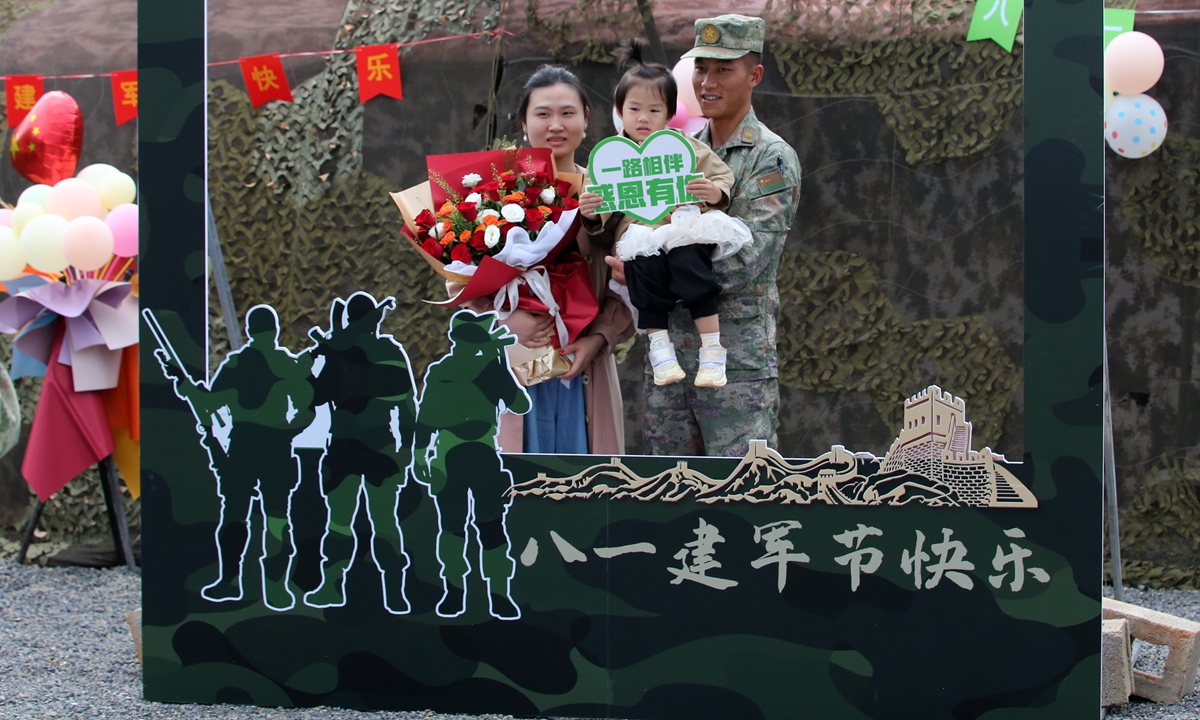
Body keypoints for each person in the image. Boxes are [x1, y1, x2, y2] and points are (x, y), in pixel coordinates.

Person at [607, 14, 802, 457]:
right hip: (669, 361)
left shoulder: (770, 159)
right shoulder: (674, 150)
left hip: (735, 367)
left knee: (744, 499)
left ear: (754, 76)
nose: (706, 82)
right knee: (669, 501)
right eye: (700, 68)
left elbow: (747, 262)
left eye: (723, 69)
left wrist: (645, 275)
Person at [457, 65, 634, 454]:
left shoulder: (612, 195)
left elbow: (627, 284)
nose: (556, 124)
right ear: (524, 122)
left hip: (584, 370)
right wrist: (502, 323)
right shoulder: (493, 197)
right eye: (543, 113)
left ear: (587, 120)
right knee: (513, 493)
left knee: (589, 494)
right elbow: (460, 284)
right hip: (511, 365)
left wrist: (598, 339)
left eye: (568, 112)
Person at [579, 39, 751, 389]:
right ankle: (660, 350)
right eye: (635, 109)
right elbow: (602, 216)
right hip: (638, 236)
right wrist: (592, 213)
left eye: (655, 110)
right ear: (619, 110)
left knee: (692, 266)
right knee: (643, 270)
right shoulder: (610, 158)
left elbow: (721, 176)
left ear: (670, 112)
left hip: (680, 226)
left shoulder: (685, 147)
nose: (644, 118)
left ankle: (713, 352)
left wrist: (714, 191)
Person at [413, 310, 530, 620]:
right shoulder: (472, 370)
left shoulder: (455, 370)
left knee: (469, 528)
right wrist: (499, 366)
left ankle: (475, 594)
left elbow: (425, 420)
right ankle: (479, 594)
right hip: (466, 455)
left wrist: (420, 455)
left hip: (463, 454)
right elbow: (520, 404)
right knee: (472, 527)